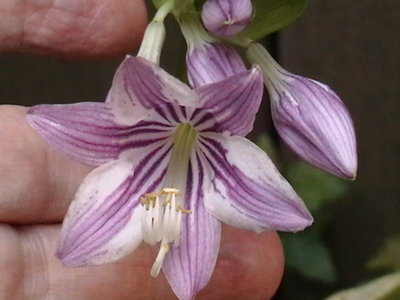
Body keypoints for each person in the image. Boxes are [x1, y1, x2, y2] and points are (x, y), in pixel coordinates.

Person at [0, 0, 284, 298]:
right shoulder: (141, 95)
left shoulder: (182, 108)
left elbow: (233, 97)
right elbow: (130, 83)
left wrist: (247, 83)